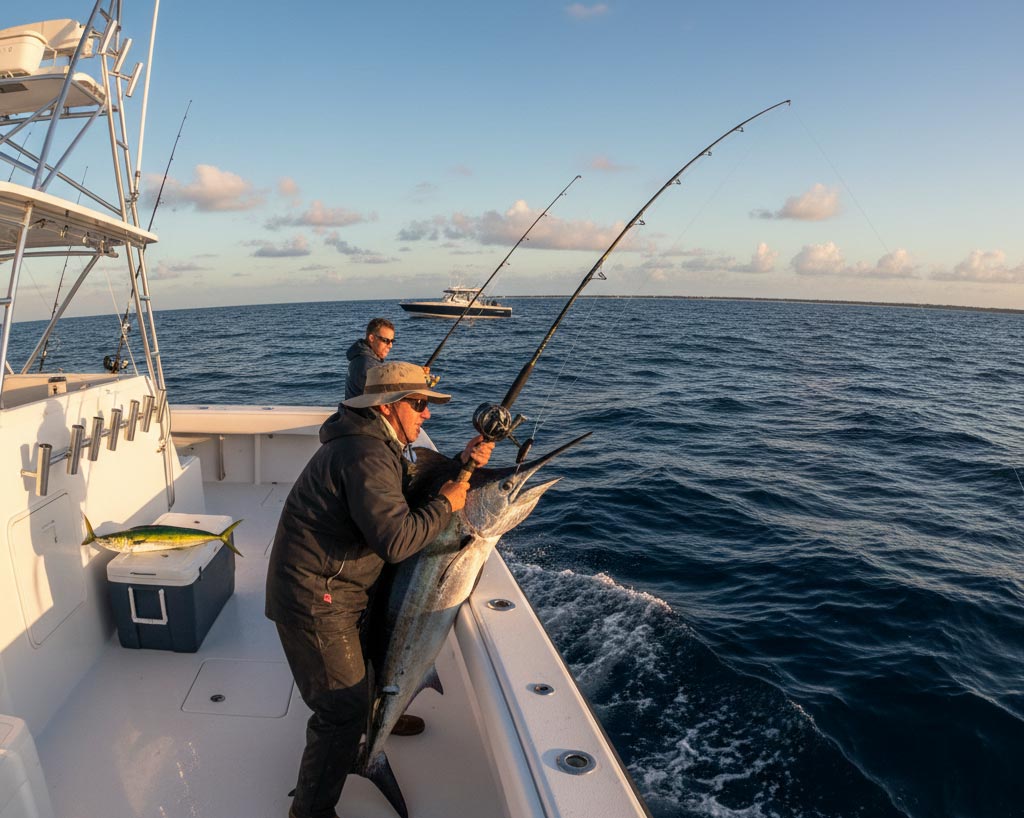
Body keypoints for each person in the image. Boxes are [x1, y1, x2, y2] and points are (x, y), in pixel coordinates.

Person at [266, 361, 494, 818]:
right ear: (390, 407)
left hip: (339, 586)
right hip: (315, 597)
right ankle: (310, 810)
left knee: (366, 669)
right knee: (339, 711)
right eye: (420, 404)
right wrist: (448, 503)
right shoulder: (366, 455)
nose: (427, 414)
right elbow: (397, 541)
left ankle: (373, 723)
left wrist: (464, 465)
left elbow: (399, 503)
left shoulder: (373, 444)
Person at [345, 317, 394, 400]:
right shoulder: (368, 365)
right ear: (371, 338)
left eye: (392, 341)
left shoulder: (360, 357)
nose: (390, 345)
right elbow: (386, 396)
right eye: (386, 340)